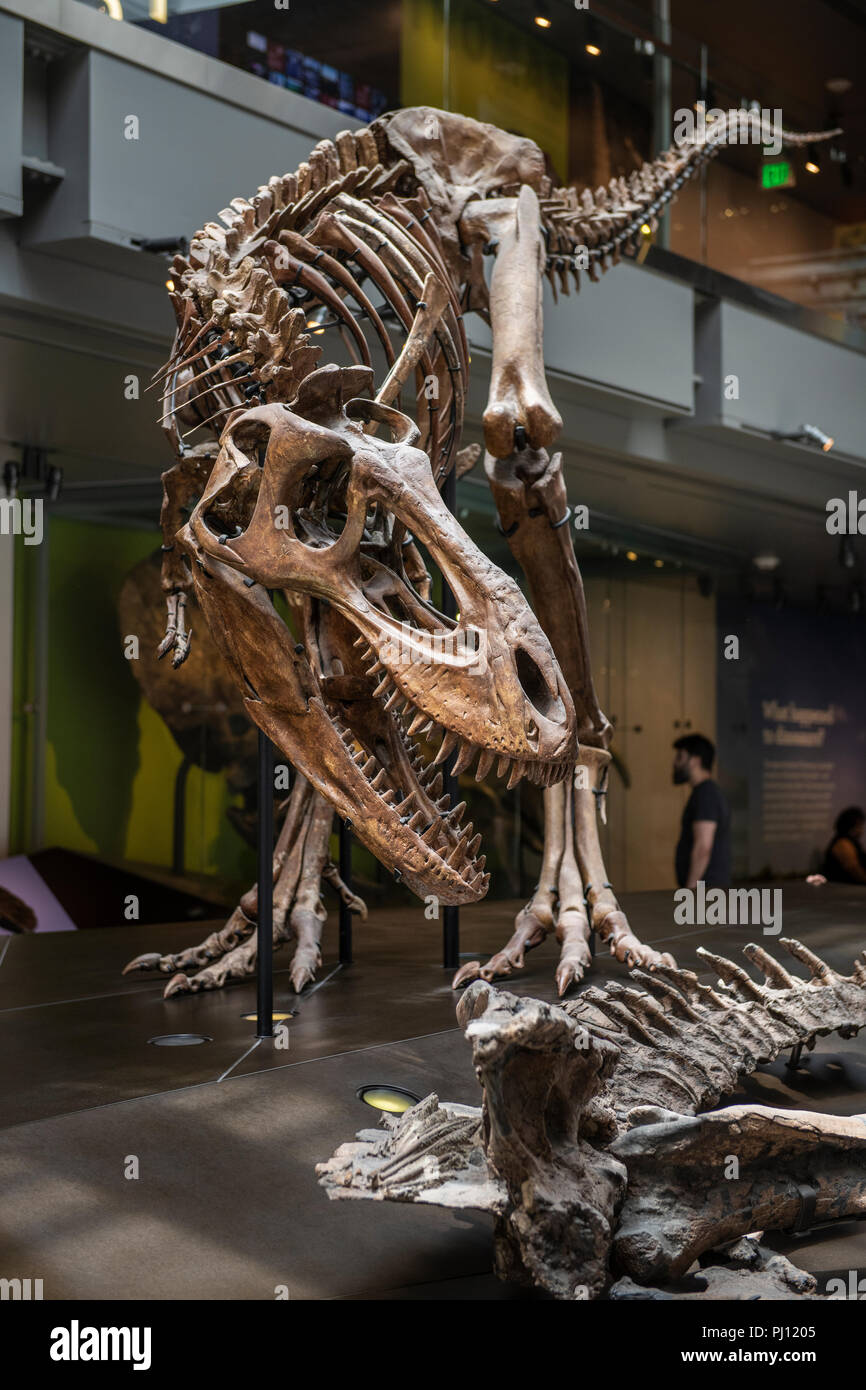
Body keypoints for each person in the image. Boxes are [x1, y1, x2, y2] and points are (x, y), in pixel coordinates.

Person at [672, 733, 732, 889]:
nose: (674, 763)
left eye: (680, 757)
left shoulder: (706, 794)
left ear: (695, 761)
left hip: (707, 893)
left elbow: (703, 847)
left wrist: (690, 891)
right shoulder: (704, 793)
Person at [810, 807, 866, 885]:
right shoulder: (843, 843)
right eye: (860, 825)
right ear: (852, 826)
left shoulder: (848, 842)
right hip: (843, 889)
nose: (862, 829)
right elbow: (854, 870)